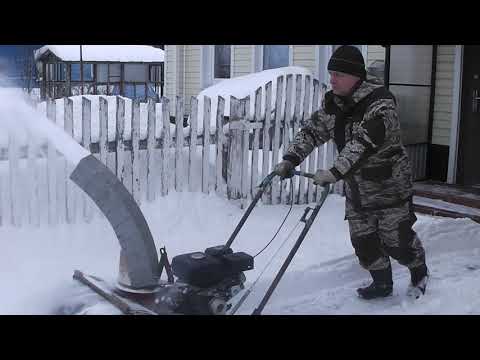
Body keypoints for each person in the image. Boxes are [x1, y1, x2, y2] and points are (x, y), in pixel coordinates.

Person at [274, 45, 429, 300]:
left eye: (338, 74)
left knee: (397, 242)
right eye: (331, 73)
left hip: (389, 188)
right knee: (364, 242)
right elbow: (312, 131)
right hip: (357, 189)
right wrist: (291, 158)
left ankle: (419, 272)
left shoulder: (381, 105)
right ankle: (382, 284)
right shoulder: (336, 104)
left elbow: (364, 142)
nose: (332, 79)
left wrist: (335, 171)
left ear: (356, 76)